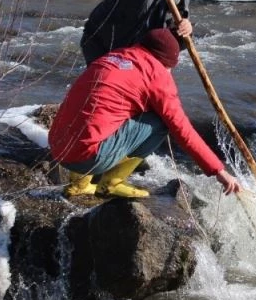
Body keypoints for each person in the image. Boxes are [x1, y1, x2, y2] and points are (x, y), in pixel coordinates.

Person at [49, 27, 240, 198]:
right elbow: (182, 130)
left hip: (57, 148)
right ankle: (111, 184)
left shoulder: (114, 56)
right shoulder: (157, 75)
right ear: (167, 62)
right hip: (85, 159)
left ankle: (78, 184)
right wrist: (218, 171)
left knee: (102, 115)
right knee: (161, 122)